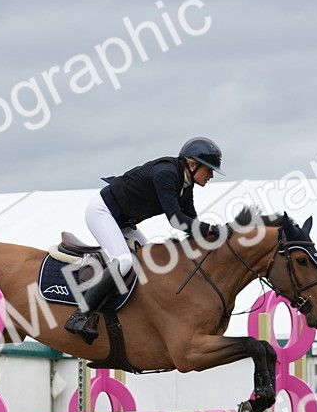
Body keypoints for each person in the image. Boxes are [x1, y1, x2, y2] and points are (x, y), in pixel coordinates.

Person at [64, 136, 222, 344]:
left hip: (123, 221)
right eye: (209, 169)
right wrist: (210, 229)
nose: (211, 175)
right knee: (125, 261)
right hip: (102, 212)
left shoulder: (186, 185)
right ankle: (79, 315)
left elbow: (192, 223)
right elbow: (177, 221)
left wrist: (214, 239)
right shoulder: (166, 174)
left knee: (148, 260)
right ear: (192, 164)